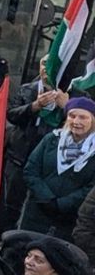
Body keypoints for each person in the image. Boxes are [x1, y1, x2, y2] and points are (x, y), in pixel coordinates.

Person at [19, 96, 95, 240]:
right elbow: (31, 170)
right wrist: (47, 198)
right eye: (72, 116)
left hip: (69, 218)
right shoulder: (51, 139)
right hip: (37, 210)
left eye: (83, 117)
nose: (76, 121)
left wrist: (62, 204)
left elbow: (91, 187)